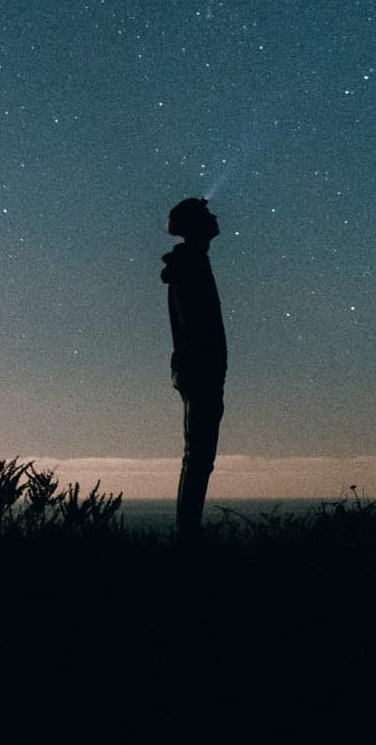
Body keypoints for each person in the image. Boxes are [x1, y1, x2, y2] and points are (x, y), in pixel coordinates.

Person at [161, 197, 227, 542]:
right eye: (207, 215)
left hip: (199, 369)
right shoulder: (191, 264)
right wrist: (200, 366)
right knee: (199, 455)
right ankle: (186, 534)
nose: (215, 218)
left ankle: (187, 531)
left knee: (199, 454)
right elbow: (196, 324)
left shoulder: (192, 262)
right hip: (200, 369)